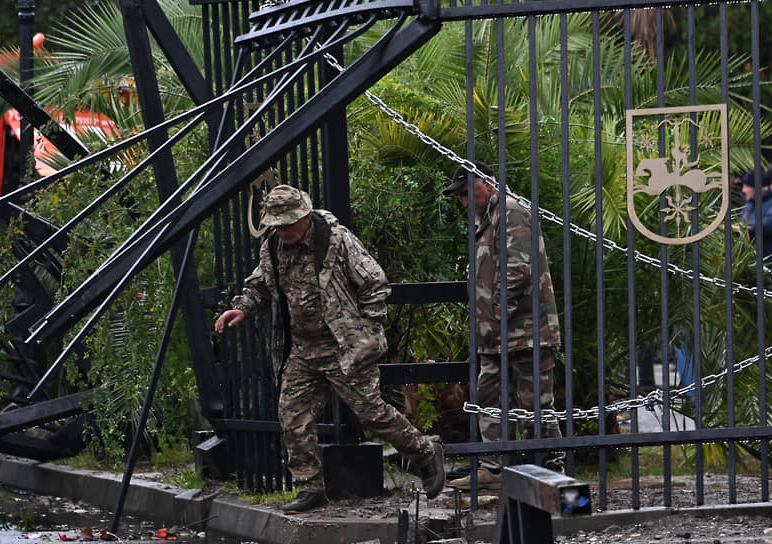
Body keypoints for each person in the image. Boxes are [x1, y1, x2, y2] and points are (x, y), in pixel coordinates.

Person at [214, 184, 444, 514]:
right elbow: (261, 285)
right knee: (292, 416)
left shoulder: (335, 240)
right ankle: (310, 487)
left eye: (288, 224)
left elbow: (375, 283)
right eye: (277, 225)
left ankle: (425, 451)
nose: (283, 231)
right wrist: (243, 307)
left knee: (372, 413)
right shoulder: (273, 247)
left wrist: (367, 330)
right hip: (303, 349)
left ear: (304, 216)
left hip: (343, 347)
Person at [443, 161, 564, 490]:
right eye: (461, 197)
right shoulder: (490, 218)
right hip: (499, 336)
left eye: (468, 193)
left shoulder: (510, 212)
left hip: (525, 332)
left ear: (487, 184)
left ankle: (551, 468)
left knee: (535, 403)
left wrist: (497, 314)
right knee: (488, 397)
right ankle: (493, 468)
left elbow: (518, 270)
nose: (465, 202)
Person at [739, 168, 772, 262]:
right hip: (748, 261)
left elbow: (767, 225)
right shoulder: (749, 204)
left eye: (746, 186)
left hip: (766, 262)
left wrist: (744, 228)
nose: (743, 190)